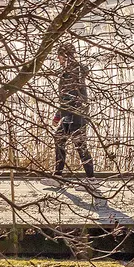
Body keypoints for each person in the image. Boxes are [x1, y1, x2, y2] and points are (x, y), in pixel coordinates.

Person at [54, 43, 95, 178]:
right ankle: (58, 175)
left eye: (60, 56)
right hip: (70, 113)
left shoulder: (72, 72)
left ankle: (91, 178)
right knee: (60, 139)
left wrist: (58, 115)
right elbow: (67, 96)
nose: (58, 59)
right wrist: (60, 114)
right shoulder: (71, 71)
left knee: (80, 145)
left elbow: (70, 95)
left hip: (76, 114)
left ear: (65, 56)